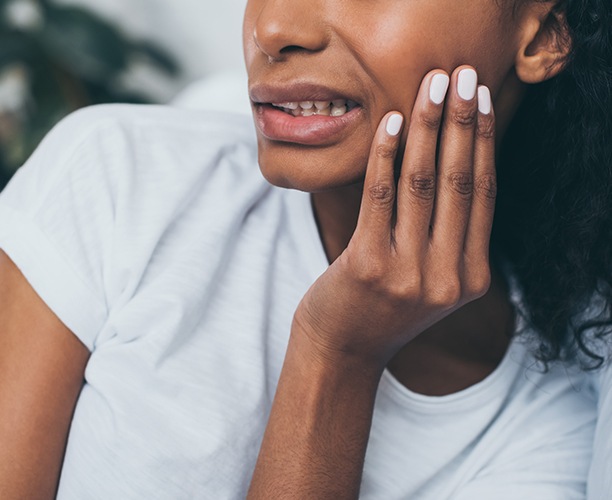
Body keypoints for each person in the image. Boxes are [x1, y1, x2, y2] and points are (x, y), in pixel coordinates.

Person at [0, 0, 610, 498]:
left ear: (543, 37)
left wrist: (337, 355)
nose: (273, 28)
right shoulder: (113, 177)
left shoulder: (542, 434)